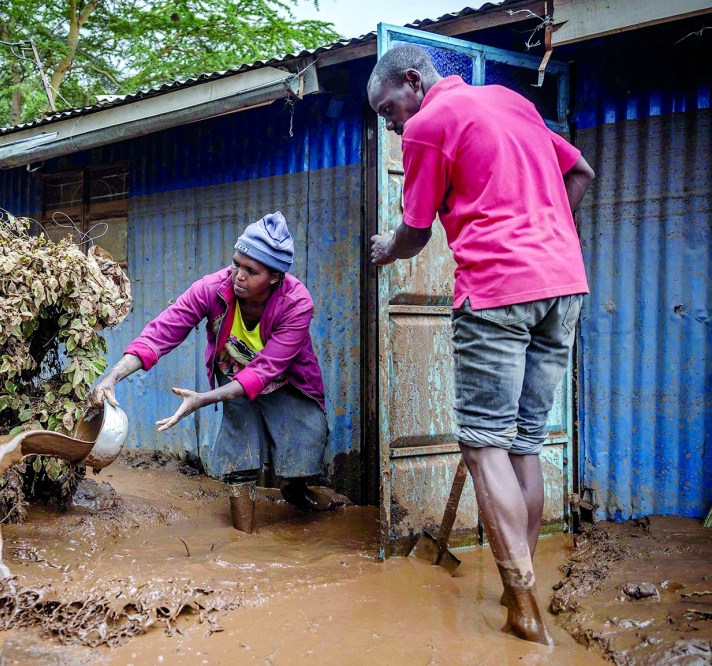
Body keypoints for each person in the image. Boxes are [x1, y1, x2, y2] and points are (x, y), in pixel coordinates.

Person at [366, 45, 595, 645]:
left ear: (412, 82)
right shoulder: (512, 103)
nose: (391, 124)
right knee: (522, 442)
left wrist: (387, 248)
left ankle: (524, 610)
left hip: (497, 292)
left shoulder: (428, 125)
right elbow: (580, 173)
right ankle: (517, 586)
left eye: (389, 109)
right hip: (564, 287)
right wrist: (548, 238)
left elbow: (416, 232)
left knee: (483, 445)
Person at [90, 212, 335, 533]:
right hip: (231, 375)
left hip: (286, 382)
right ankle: (244, 536)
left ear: (275, 277)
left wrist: (203, 399)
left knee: (306, 441)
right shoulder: (213, 287)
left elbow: (265, 370)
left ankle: (296, 489)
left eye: (252, 271)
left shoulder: (296, 302)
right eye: (236, 264)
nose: (239, 276)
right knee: (239, 451)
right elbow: (162, 331)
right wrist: (113, 375)